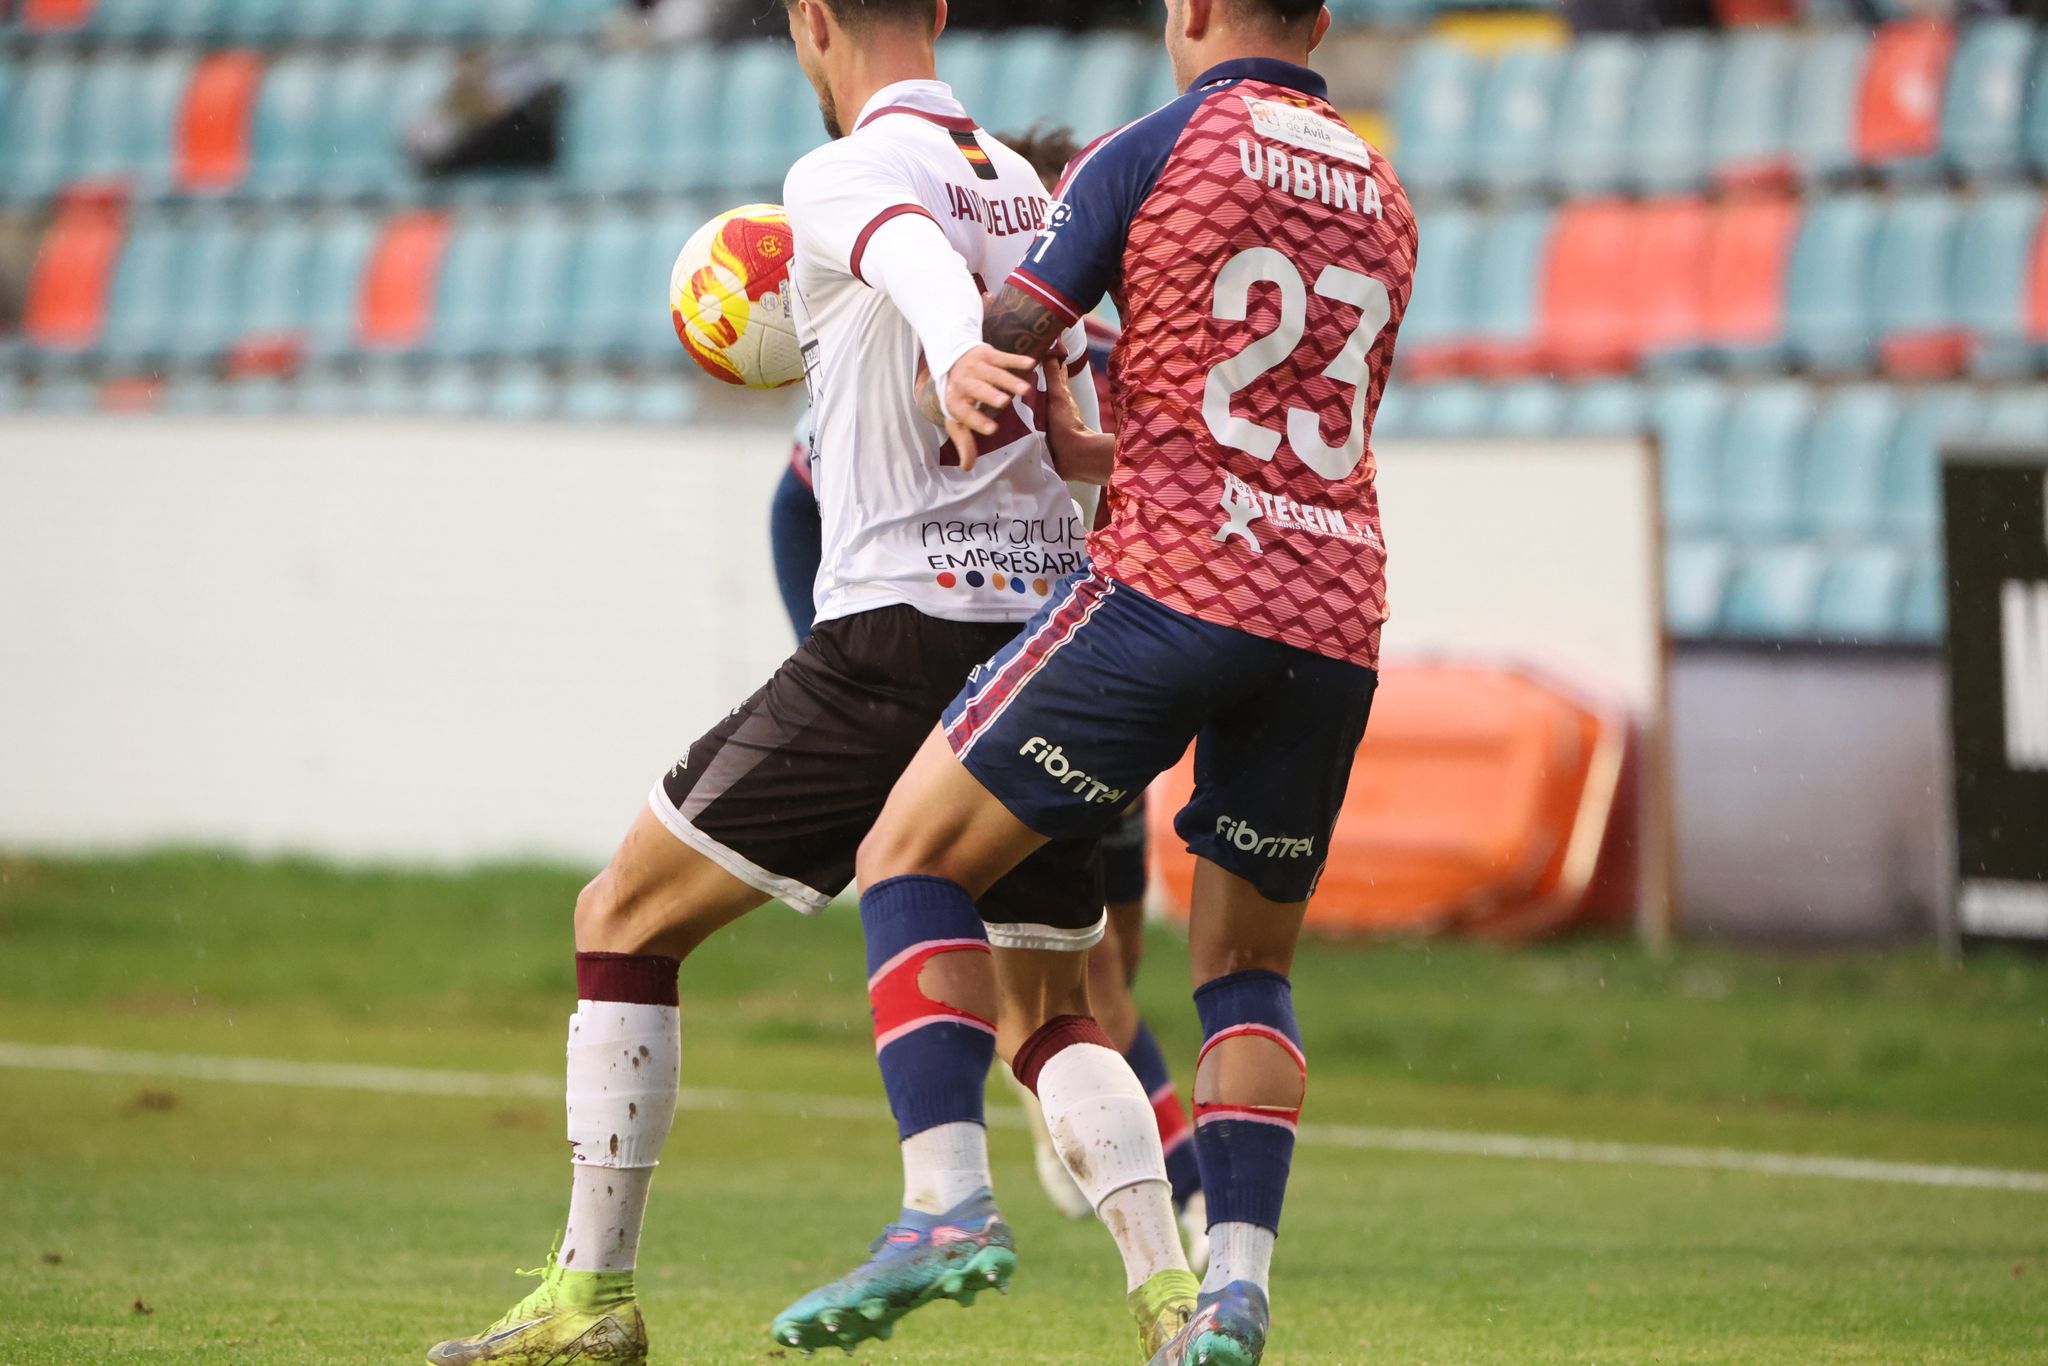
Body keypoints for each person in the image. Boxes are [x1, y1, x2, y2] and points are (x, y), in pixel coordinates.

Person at [423, 3, 1118, 1362]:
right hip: (1038, 640)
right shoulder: (1026, 183)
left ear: (809, 22)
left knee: (622, 912)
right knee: (1062, 1004)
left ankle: (592, 1295)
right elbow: (1065, 406)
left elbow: (905, 257)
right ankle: (1185, 1296)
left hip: (890, 640)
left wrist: (953, 342)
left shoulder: (838, 173)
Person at [842, 0, 1418, 1361]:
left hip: (1174, 592)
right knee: (1243, 972)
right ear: (1322, 20)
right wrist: (1103, 454)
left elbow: (1001, 331)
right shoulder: (1384, 190)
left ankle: (949, 1204)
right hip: (1334, 610)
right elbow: (1276, 428)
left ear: (1194, 12)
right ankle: (1234, 1289)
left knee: (907, 854)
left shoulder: (1151, 146)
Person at [764, 126, 1208, 1257]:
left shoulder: (1117, 351)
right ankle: (1188, 1208)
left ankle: (1059, 1133)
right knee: (1083, 984)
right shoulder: (961, 333)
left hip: (1102, 670)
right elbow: (795, 495)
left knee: (1109, 965)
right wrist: (830, 647)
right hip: (1009, 670)